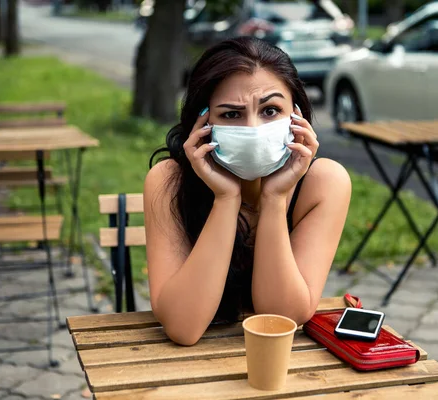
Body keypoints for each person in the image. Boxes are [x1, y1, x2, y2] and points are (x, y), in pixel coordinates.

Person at [144, 37, 351, 346]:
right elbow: (182, 328)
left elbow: (282, 317)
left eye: (270, 111)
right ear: (203, 122)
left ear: (297, 115)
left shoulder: (323, 182)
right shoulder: (169, 180)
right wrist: (226, 199)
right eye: (231, 114)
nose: (253, 129)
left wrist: (274, 198)